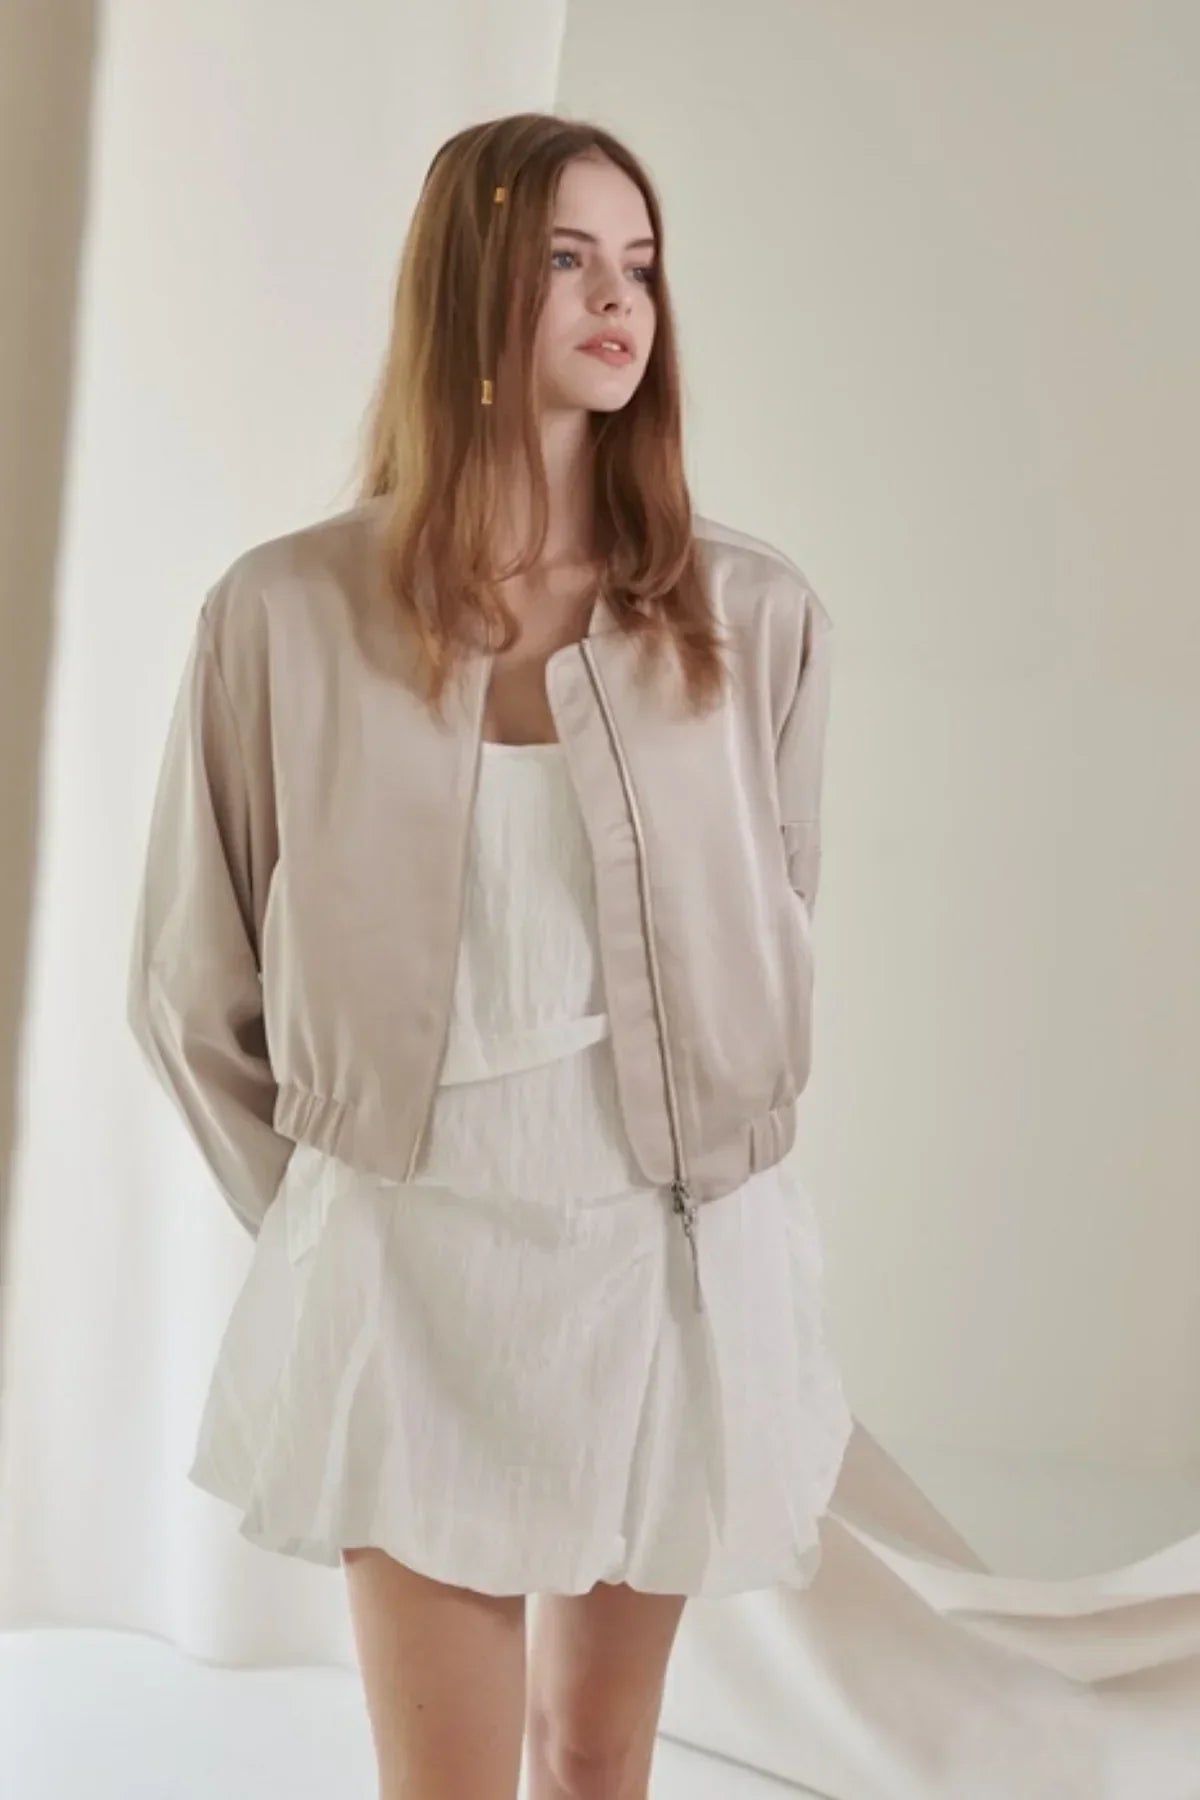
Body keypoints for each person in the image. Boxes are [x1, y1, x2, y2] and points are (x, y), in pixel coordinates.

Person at [127, 110, 854, 1800]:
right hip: (410, 1275)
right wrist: (342, 1205)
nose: (620, 301)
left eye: (642, 266)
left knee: (598, 1759)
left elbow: (780, 933)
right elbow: (189, 984)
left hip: (667, 1267)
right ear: (469, 287)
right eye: (567, 259)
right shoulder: (285, 613)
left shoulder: (755, 620)